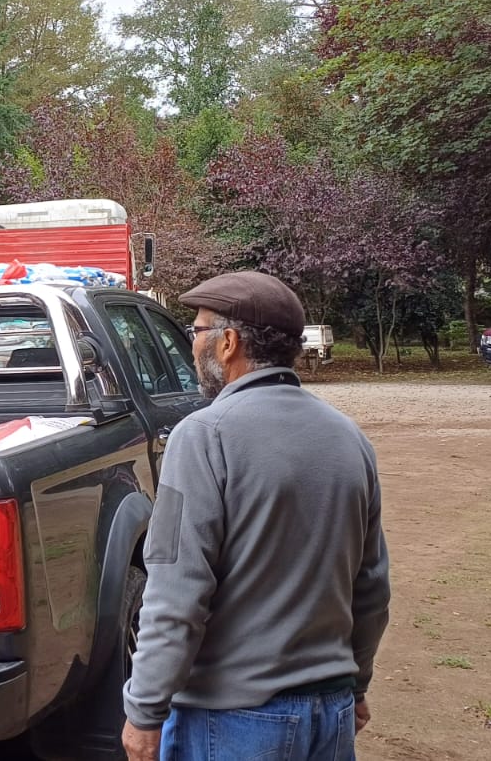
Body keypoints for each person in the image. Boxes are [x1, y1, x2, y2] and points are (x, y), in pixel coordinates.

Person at [121, 271, 391, 761]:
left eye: (197, 331)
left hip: (233, 721)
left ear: (228, 343)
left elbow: (177, 594)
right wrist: (354, 685)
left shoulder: (204, 435)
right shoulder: (349, 437)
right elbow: (371, 586)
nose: (193, 343)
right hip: (329, 711)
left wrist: (144, 710)